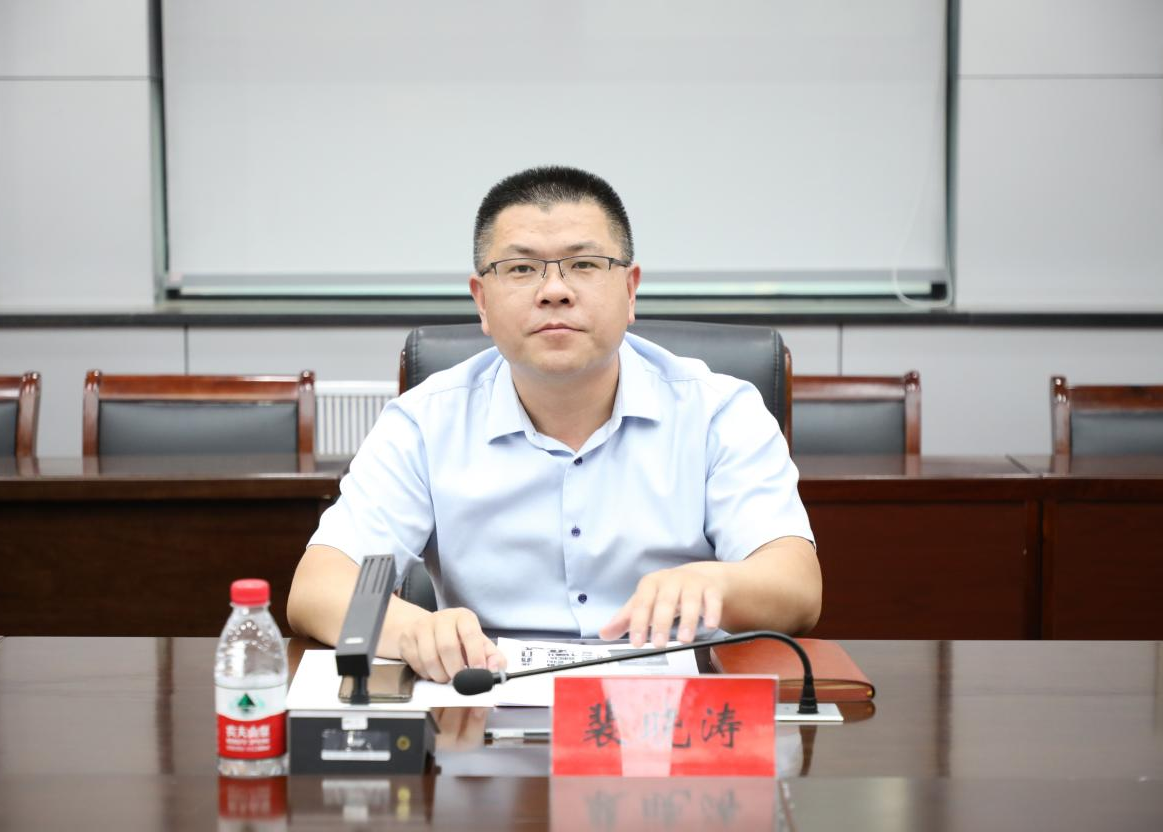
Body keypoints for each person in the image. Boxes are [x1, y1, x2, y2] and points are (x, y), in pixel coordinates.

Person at [287, 166, 820, 682]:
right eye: (521, 269)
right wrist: (413, 630)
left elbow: (797, 587)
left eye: (584, 264)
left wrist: (717, 584)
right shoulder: (425, 422)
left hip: (674, 710)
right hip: (486, 696)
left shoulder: (719, 412)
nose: (555, 291)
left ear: (630, 290)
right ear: (482, 302)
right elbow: (318, 587)